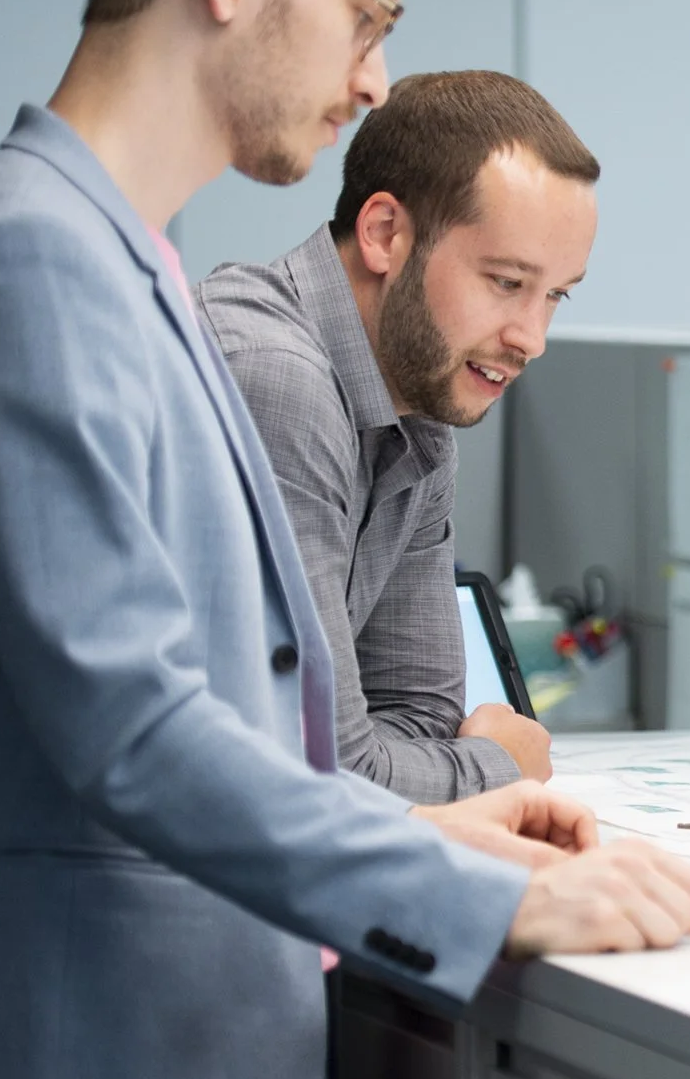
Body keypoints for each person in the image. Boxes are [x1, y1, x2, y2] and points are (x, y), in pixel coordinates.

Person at [0, 0, 690, 1079]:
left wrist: (479, 838)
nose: (374, 72)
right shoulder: (39, 261)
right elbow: (134, 735)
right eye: (367, 14)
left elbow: (269, 727)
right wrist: (485, 901)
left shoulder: (136, 262)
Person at [199, 70, 594, 799]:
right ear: (384, 233)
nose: (532, 338)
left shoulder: (416, 408)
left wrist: (421, 766)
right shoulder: (273, 375)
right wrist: (497, 766)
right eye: (507, 281)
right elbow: (322, 773)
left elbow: (418, 717)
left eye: (556, 295)